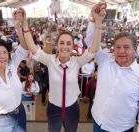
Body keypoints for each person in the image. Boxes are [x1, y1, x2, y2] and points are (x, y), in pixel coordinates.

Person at [14, 3, 106, 132]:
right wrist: (24, 25)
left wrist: (97, 24)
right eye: (61, 43)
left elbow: (94, 49)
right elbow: (33, 48)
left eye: (69, 44)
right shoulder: (50, 60)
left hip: (72, 109)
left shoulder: (77, 61)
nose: (65, 46)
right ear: (56, 45)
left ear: (73, 47)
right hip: (54, 109)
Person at [86, 20, 139, 131]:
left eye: (126, 47)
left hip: (121, 129)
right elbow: (90, 43)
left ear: (134, 49)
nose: (121, 51)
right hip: (98, 123)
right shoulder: (105, 60)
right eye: (117, 47)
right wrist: (94, 21)